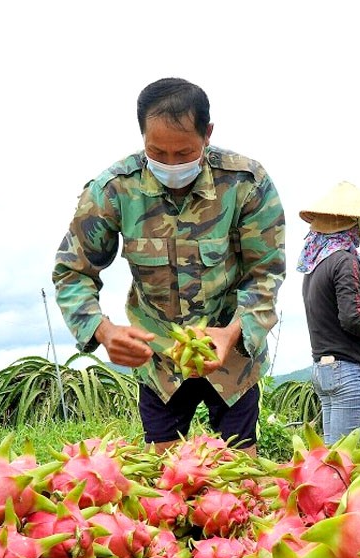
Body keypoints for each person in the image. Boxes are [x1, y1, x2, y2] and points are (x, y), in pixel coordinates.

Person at [52, 77, 285, 455]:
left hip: (232, 357)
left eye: (184, 153)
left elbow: (265, 274)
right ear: (142, 137)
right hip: (157, 358)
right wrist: (102, 330)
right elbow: (72, 272)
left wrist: (233, 333)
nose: (171, 165)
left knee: (241, 477)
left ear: (207, 134)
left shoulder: (246, 185)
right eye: (157, 153)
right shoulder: (114, 190)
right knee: (164, 483)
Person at [299, 181, 360, 446]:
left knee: (333, 452)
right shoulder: (345, 259)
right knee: (346, 457)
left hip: (323, 366)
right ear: (351, 224)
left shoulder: (315, 262)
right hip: (347, 369)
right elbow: (352, 319)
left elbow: (330, 307)